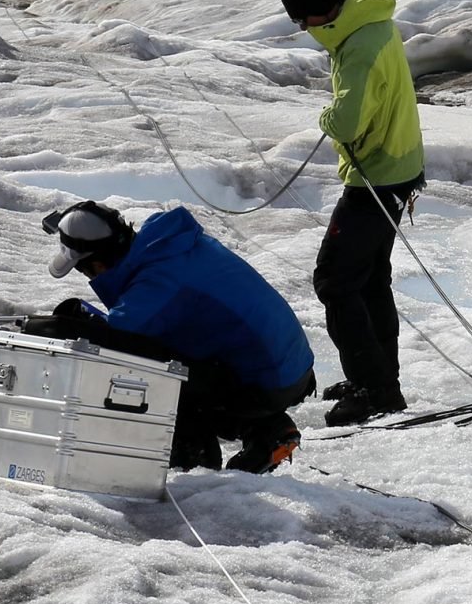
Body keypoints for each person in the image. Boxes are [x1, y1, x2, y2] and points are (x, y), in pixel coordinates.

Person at [30, 200, 317, 473]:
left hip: (267, 381)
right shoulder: (165, 248)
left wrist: (54, 328)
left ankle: (194, 455)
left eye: (83, 270)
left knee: (145, 370)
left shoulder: (155, 284)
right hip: (289, 366)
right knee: (176, 359)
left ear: (97, 264)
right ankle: (269, 428)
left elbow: (118, 344)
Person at [280, 0, 426, 427]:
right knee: (367, 279)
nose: (302, 28)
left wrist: (325, 118)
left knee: (335, 281)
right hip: (398, 167)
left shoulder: (358, 45)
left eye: (301, 18)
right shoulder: (371, 22)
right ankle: (380, 377)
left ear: (321, 9)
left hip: (377, 176)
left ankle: (376, 390)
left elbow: (345, 123)